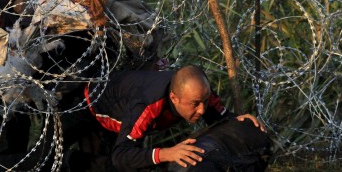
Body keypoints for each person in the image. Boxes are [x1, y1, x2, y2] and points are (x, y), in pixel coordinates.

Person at [74, 65, 268, 171]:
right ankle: (70, 160)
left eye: (205, 100)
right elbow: (121, 155)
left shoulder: (199, 94)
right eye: (194, 104)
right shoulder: (148, 105)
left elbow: (222, 119)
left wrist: (242, 119)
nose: (202, 110)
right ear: (174, 98)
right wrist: (167, 153)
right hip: (90, 107)